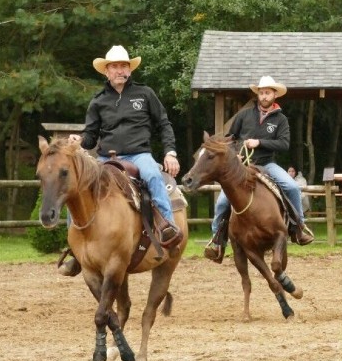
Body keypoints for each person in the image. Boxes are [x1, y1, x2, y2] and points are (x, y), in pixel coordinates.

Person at [59, 45, 182, 276]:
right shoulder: (98, 101)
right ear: (106, 71)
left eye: (124, 65)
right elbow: (91, 137)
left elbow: (164, 123)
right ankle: (76, 251)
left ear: (130, 69)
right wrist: (79, 138)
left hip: (139, 154)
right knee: (76, 188)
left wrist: (170, 152)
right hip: (106, 158)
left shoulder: (145, 94)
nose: (119, 70)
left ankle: (168, 229)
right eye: (114, 66)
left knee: (154, 176)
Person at [204, 75, 314, 263]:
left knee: (292, 187)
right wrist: (235, 154)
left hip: (267, 164)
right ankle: (216, 241)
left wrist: (259, 142)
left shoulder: (281, 120)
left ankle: (298, 228)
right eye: (261, 92)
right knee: (223, 201)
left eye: (267, 93)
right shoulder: (244, 115)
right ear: (258, 94)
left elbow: (284, 144)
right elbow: (231, 137)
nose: (264, 96)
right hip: (242, 166)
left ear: (274, 95)